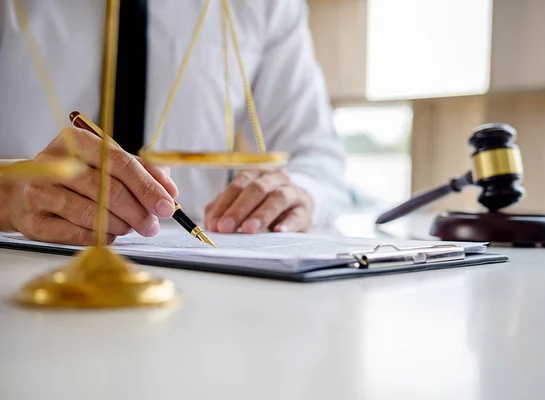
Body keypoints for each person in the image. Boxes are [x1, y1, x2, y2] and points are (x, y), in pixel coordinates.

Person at [0, 0, 350, 245]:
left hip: (195, 275)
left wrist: (299, 192)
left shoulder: (263, 5)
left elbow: (318, 158)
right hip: (23, 263)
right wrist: (9, 199)